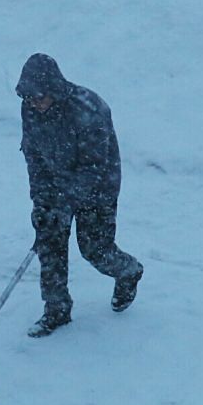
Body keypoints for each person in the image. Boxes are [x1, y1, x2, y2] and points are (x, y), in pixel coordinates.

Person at [17, 53, 143, 337]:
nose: (34, 104)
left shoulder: (90, 109)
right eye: (29, 99)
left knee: (95, 251)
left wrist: (66, 202)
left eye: (38, 97)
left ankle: (128, 271)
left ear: (54, 89)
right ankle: (57, 310)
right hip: (55, 184)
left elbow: (93, 167)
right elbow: (34, 156)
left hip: (97, 189)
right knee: (49, 245)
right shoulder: (30, 108)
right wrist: (42, 201)